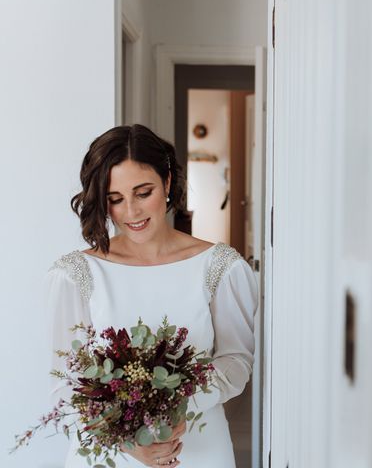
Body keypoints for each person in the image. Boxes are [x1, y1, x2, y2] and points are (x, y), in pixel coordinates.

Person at [46, 124, 258, 467]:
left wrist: (179, 408)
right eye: (115, 199)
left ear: (168, 182)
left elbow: (236, 361)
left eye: (143, 193)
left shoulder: (220, 267)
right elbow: (65, 383)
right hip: (109, 455)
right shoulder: (75, 275)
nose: (131, 212)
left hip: (197, 448)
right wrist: (125, 437)